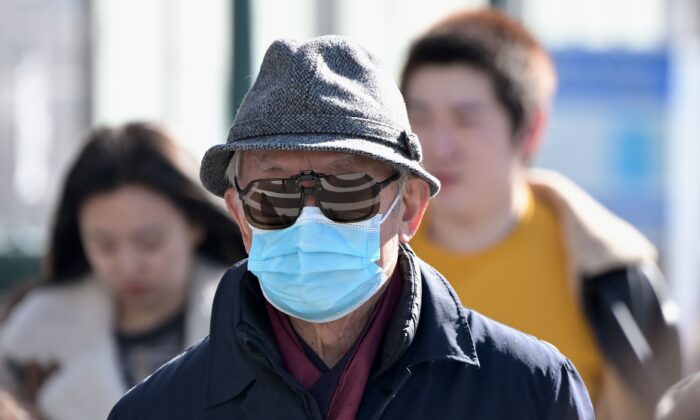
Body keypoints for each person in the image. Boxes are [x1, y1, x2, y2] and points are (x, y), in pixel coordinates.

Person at [108, 35, 593, 420]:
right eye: (274, 196)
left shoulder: (529, 392)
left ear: (409, 207)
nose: (308, 220)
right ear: (240, 216)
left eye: (345, 189)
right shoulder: (157, 411)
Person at [400, 8, 681, 420]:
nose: (439, 145)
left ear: (530, 130)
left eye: (466, 119)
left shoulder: (612, 274)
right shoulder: (365, 259)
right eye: (419, 116)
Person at [0, 123, 247, 420]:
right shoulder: (30, 340)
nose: (128, 265)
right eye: (104, 245)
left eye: (149, 242)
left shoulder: (255, 316)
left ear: (195, 225)